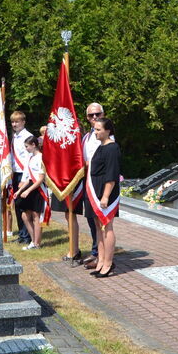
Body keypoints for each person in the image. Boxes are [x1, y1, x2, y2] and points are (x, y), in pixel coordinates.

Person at [87, 117, 120, 278]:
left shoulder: (112, 148)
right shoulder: (100, 147)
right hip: (95, 190)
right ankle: (100, 261)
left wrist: (106, 196)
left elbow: (111, 174)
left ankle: (108, 263)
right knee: (98, 226)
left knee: (107, 226)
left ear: (108, 131)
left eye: (99, 129)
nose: (96, 132)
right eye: (95, 129)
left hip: (105, 192)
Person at [77, 103, 105, 269]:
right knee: (90, 217)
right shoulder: (87, 136)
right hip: (87, 181)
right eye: (91, 115)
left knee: (100, 220)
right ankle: (96, 251)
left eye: (97, 114)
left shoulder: (106, 134)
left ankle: (101, 255)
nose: (94, 117)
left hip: (98, 182)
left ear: (103, 114)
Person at [15, 135, 46, 250]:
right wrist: (19, 191)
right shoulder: (31, 157)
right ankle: (33, 240)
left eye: (27, 146)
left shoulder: (41, 158)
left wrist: (27, 190)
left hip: (38, 189)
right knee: (24, 214)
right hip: (29, 186)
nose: (26, 149)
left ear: (34, 145)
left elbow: (40, 179)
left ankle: (37, 243)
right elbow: (28, 177)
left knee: (35, 215)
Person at [9, 111, 34, 244]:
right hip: (16, 173)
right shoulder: (15, 136)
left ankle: (27, 235)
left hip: (24, 175)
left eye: (17, 121)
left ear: (23, 122)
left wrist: (24, 178)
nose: (14, 124)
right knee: (17, 206)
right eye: (13, 122)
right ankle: (22, 233)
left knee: (24, 205)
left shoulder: (28, 136)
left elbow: (28, 159)